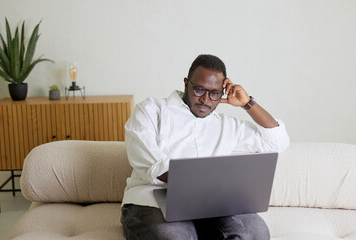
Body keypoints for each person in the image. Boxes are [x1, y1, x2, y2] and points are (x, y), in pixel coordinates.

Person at [121, 54, 289, 240]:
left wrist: (247, 103)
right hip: (151, 201)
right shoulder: (151, 111)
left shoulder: (227, 125)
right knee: (176, 236)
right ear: (186, 83)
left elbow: (277, 142)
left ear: (222, 93)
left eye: (214, 93)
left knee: (254, 232)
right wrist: (202, 185)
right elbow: (151, 166)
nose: (206, 100)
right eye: (199, 90)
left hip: (213, 207)